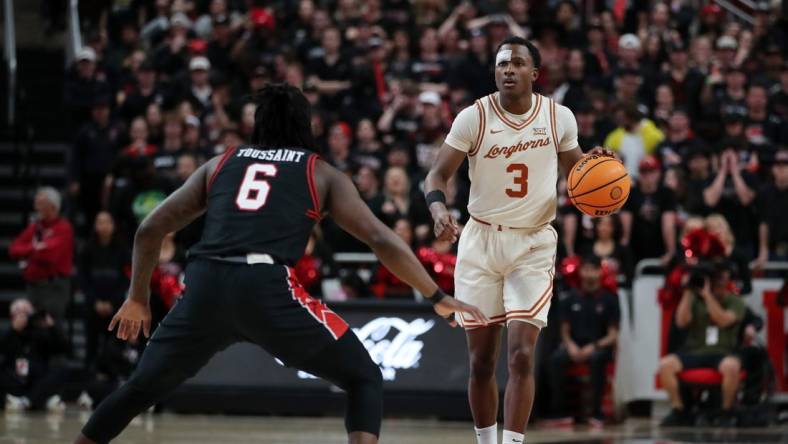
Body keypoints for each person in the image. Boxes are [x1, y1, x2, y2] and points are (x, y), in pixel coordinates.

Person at [73, 84, 486, 444]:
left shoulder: (220, 163)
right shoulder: (319, 172)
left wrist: (138, 298)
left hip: (204, 286)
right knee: (364, 378)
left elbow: (149, 229)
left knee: (140, 389)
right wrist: (435, 296)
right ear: (305, 126)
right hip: (265, 286)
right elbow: (380, 239)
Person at [424, 36, 612, 444]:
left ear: (534, 73)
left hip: (532, 243)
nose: (508, 69)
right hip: (480, 242)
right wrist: (439, 209)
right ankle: (485, 441)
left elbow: (576, 172)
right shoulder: (473, 117)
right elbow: (436, 175)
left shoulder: (558, 117)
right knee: (481, 361)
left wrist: (595, 170)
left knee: (522, 353)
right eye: (501, 63)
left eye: (517, 63)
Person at [657, 262, 746, 427]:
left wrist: (708, 296)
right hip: (694, 350)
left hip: (722, 351)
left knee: (731, 367)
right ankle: (679, 410)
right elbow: (681, 322)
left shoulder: (735, 301)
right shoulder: (694, 299)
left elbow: (722, 320)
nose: (717, 286)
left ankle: (725, 412)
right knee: (665, 364)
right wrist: (688, 293)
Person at [548, 255, 619, 426]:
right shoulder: (570, 298)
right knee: (556, 359)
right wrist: (571, 346)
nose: (589, 274)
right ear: (580, 272)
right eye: (585, 269)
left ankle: (596, 413)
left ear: (600, 272)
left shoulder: (610, 299)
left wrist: (593, 347)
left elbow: (612, 335)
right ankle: (560, 412)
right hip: (574, 345)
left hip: (598, 346)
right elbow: (564, 331)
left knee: (597, 359)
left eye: (593, 270)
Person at [8, 188, 74, 324]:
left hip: (53, 288)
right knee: (31, 327)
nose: (36, 207)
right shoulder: (35, 226)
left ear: (53, 207)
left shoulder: (63, 228)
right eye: (36, 203)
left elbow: (50, 256)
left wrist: (30, 252)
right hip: (33, 287)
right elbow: (14, 249)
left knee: (48, 327)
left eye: (41, 204)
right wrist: (35, 248)